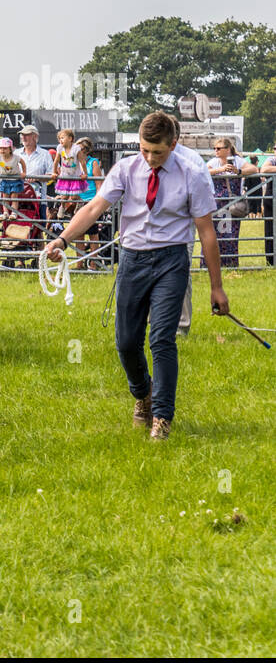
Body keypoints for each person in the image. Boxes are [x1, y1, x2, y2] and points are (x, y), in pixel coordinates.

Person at [45, 111, 228, 440]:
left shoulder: (193, 172)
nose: (150, 158)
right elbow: (93, 208)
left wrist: (217, 288)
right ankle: (142, 394)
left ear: (173, 144)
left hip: (172, 260)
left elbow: (206, 233)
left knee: (161, 339)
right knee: (126, 342)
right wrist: (63, 240)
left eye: (157, 152)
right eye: (145, 150)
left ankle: (162, 416)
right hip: (132, 260)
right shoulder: (127, 168)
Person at [206, 137, 256, 268]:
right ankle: (213, 264)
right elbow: (204, 171)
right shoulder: (214, 162)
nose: (216, 151)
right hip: (218, 203)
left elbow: (254, 169)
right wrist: (220, 170)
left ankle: (230, 264)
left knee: (231, 233)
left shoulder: (238, 161)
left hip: (233, 203)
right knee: (216, 233)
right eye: (215, 149)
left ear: (227, 149)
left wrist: (239, 171)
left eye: (218, 148)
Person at [73, 137, 105, 268]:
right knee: (78, 233)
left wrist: (97, 203)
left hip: (90, 201)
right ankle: (79, 264)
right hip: (78, 201)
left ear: (85, 150)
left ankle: (93, 264)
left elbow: (99, 184)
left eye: (78, 148)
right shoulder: (74, 163)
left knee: (93, 234)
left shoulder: (93, 163)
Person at [17, 124, 54, 218]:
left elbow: (51, 174)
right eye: (22, 135)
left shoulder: (45, 154)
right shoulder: (15, 153)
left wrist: (37, 178)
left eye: (27, 135)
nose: (23, 137)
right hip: (17, 196)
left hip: (39, 197)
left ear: (35, 136)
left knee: (39, 227)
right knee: (17, 225)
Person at [0, 137, 27, 212]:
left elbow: (22, 162)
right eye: (0, 148)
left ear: (10, 149)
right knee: (5, 198)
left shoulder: (15, 157)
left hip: (15, 180)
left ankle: (14, 213)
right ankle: (5, 212)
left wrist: (24, 172)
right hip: (5, 180)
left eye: (5, 148)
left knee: (14, 197)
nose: (2, 150)